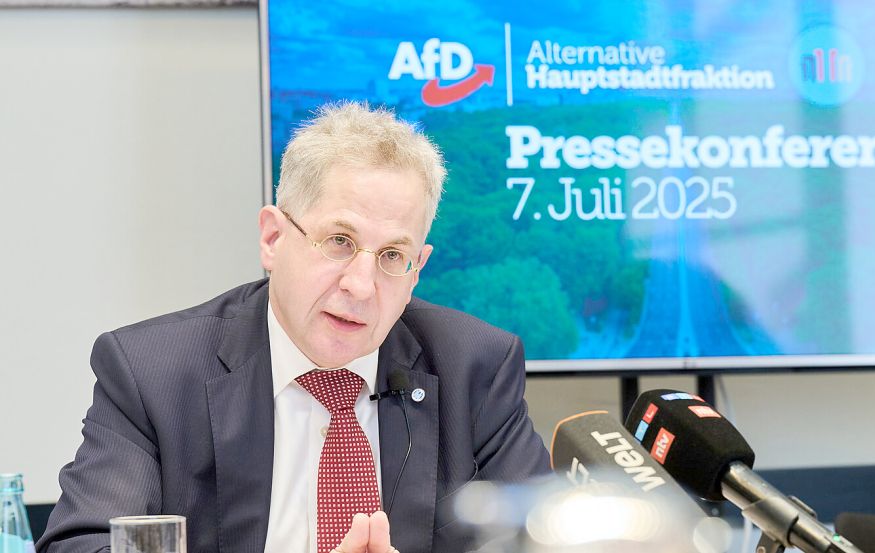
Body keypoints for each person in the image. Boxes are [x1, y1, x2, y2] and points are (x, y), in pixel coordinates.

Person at [36, 102, 551, 553]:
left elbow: (545, 539)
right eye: (339, 242)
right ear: (273, 238)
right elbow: (82, 544)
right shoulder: (154, 373)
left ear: (419, 268)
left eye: (393, 255)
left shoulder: (474, 367)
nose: (362, 286)